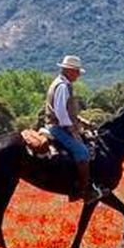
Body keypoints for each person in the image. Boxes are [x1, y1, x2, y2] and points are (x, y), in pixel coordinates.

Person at [43, 55, 103, 204]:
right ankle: (83, 190)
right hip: (58, 127)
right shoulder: (63, 86)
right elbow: (61, 113)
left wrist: (82, 121)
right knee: (82, 151)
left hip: (59, 125)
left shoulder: (61, 83)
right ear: (69, 70)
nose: (78, 75)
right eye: (76, 71)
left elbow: (68, 111)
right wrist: (72, 129)